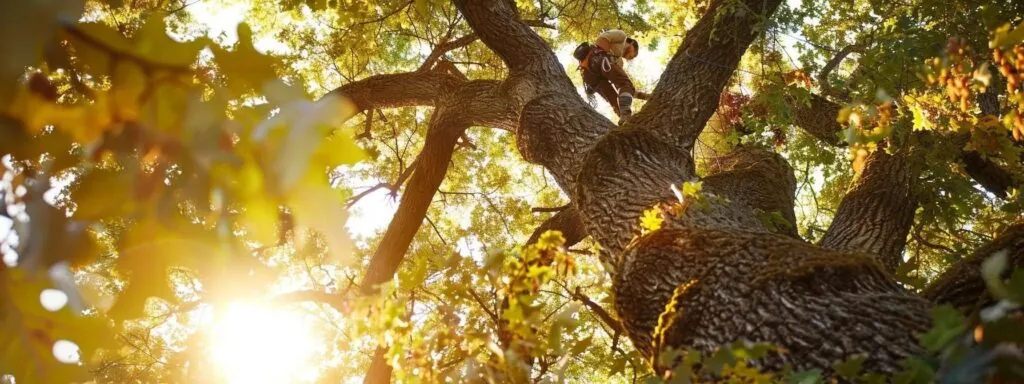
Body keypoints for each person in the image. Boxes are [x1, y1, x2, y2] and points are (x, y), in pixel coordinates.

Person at [577, 29, 648, 118]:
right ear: (632, 44)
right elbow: (601, 39)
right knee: (625, 84)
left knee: (613, 99)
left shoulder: (619, 62)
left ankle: (624, 119)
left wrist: (645, 96)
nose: (631, 58)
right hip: (597, 59)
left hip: (590, 76)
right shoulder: (622, 36)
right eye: (633, 54)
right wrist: (606, 55)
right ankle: (626, 115)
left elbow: (622, 87)